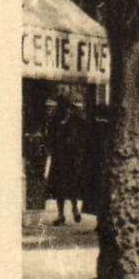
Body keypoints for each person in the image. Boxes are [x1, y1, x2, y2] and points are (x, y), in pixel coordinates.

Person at [44, 93, 87, 224]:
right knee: (60, 187)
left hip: (69, 158)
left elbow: (80, 137)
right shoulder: (56, 120)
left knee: (70, 186)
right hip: (61, 158)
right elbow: (50, 138)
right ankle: (63, 214)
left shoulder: (74, 120)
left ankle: (73, 210)